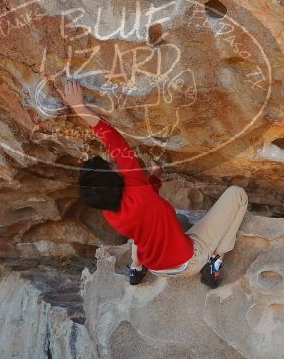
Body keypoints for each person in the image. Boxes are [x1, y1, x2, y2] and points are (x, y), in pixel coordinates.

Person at [57, 79, 249, 288]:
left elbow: (147, 203)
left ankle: (137, 268)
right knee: (237, 194)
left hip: (157, 267)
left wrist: (154, 179)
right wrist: (79, 108)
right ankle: (215, 261)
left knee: (155, 226)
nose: (112, 160)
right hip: (188, 261)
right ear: (114, 179)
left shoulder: (109, 209)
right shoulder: (135, 184)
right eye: (110, 165)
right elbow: (112, 137)